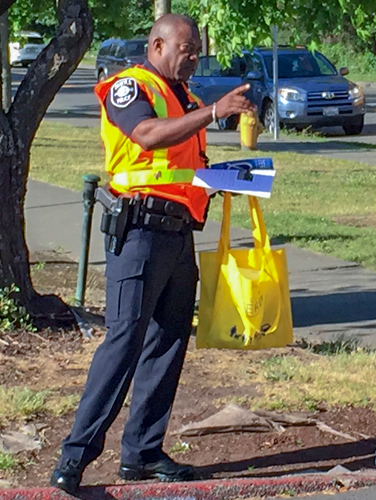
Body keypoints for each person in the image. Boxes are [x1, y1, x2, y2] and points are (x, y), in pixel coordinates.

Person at [49, 14, 256, 494]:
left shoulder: (186, 96)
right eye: (187, 48)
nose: (194, 56)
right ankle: (74, 458)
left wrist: (234, 175)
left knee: (166, 343)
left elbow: (178, 169)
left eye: (198, 50)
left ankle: (141, 453)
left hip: (177, 234)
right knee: (123, 342)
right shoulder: (129, 86)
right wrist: (214, 111)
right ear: (158, 44)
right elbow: (144, 136)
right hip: (138, 232)